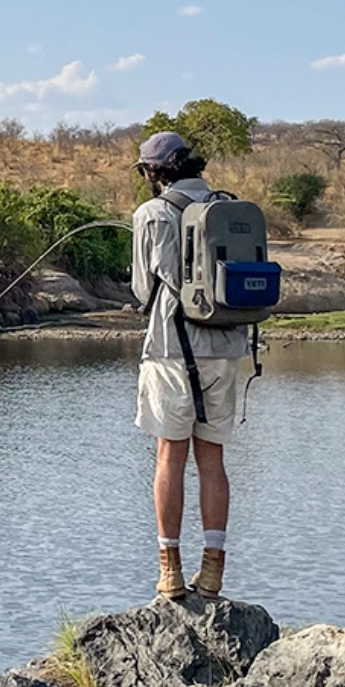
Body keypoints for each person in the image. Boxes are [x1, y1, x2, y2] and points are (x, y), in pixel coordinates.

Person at [130, 130, 251, 600]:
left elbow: (143, 291)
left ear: (155, 172)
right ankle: (214, 571)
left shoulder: (152, 213)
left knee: (169, 457)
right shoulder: (227, 207)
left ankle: (171, 572)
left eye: (145, 170)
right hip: (226, 346)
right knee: (213, 461)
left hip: (170, 348)